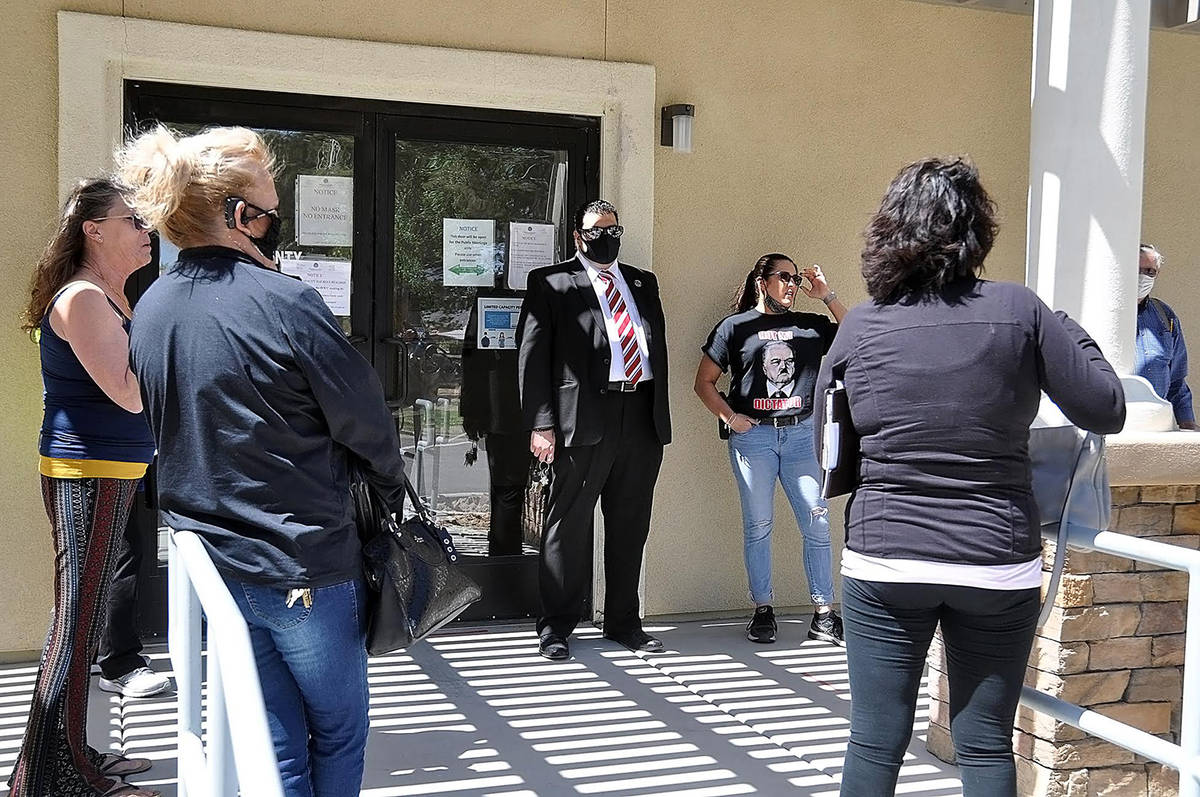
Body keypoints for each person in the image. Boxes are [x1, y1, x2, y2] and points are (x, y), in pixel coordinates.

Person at [816, 157, 1125, 796]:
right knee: (985, 747)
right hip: (993, 556)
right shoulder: (1019, 310)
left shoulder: (861, 324)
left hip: (886, 558)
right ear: (976, 230)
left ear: (890, 230)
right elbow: (1106, 407)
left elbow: (832, 447)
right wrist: (1065, 328)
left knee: (874, 742)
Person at [119, 126, 409, 797]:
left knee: (276, 734)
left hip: (218, 564)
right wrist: (386, 489)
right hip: (301, 560)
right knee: (337, 729)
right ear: (238, 215)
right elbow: (366, 422)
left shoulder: (153, 304)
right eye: (270, 209)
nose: (274, 222)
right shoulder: (285, 302)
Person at [9, 178, 159, 797]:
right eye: (133, 220)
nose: (146, 231)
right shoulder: (83, 299)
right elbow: (127, 391)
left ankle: (73, 755)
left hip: (108, 469)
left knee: (86, 617)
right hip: (87, 470)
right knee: (76, 620)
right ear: (93, 230)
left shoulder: (110, 296)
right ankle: (46, 777)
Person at [517, 199, 671, 660]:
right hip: (580, 420)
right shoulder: (551, 282)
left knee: (630, 526)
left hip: (640, 417)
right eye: (598, 230)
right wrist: (542, 423)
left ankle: (624, 621)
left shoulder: (643, 282)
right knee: (568, 524)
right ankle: (556, 625)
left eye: (615, 229)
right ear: (578, 237)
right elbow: (532, 356)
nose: (608, 237)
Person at [695, 255, 847, 645]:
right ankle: (763, 610)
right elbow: (705, 382)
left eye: (795, 279)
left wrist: (826, 294)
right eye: (784, 277)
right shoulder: (735, 327)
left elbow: (859, 335)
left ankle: (824, 614)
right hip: (755, 439)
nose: (792, 285)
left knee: (817, 522)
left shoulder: (810, 326)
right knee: (759, 525)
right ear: (762, 282)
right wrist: (731, 418)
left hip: (800, 438)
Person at [1134, 243, 1196, 429]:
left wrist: (1189, 425)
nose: (1143, 276)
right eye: (1138, 270)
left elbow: (1176, 382)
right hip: (1114, 425)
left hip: (1156, 428)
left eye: (1150, 271)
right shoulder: (1104, 315)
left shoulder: (1164, 315)